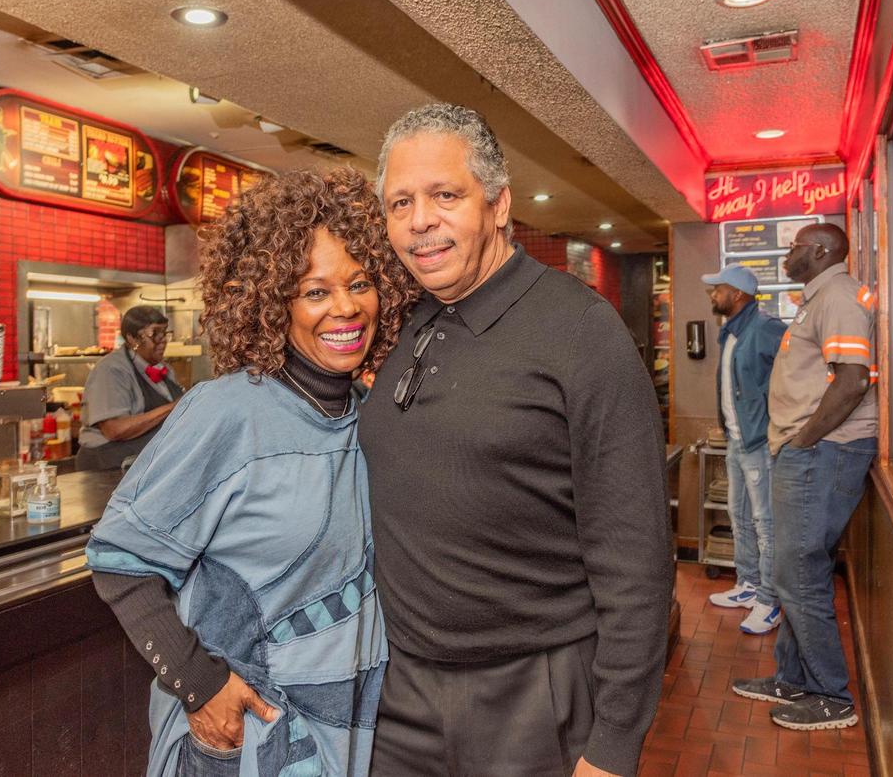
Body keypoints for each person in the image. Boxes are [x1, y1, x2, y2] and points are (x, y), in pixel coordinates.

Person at [359, 103, 672, 777]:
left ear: (499, 205)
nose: (419, 221)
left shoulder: (581, 330)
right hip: (401, 692)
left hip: (535, 697)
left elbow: (636, 559)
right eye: (400, 202)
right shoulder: (410, 323)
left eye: (446, 195)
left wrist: (614, 741)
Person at [85, 168, 416, 776]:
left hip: (347, 735)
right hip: (248, 741)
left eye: (360, 282)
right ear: (271, 302)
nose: (345, 307)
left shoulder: (368, 414)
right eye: (314, 291)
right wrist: (198, 686)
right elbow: (119, 559)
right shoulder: (227, 410)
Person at [732, 222, 877, 731]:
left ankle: (831, 696)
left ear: (819, 251)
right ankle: (792, 678)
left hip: (822, 454)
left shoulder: (837, 294)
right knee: (797, 574)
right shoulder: (818, 297)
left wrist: (804, 439)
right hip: (809, 453)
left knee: (797, 574)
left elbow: (854, 378)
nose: (789, 254)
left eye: (794, 247)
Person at [701, 265, 786, 634]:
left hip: (759, 443)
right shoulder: (732, 331)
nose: (711, 295)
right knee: (739, 516)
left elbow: (796, 375)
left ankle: (770, 600)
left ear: (737, 294)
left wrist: (776, 428)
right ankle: (748, 584)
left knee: (766, 524)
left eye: (716, 288)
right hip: (737, 441)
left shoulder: (767, 328)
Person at [75, 305, 183, 471]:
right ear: (132, 339)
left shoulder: (165, 370)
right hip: (108, 465)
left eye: (165, 332)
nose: (163, 339)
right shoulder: (112, 369)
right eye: (155, 333)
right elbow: (115, 430)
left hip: (141, 463)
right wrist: (174, 406)